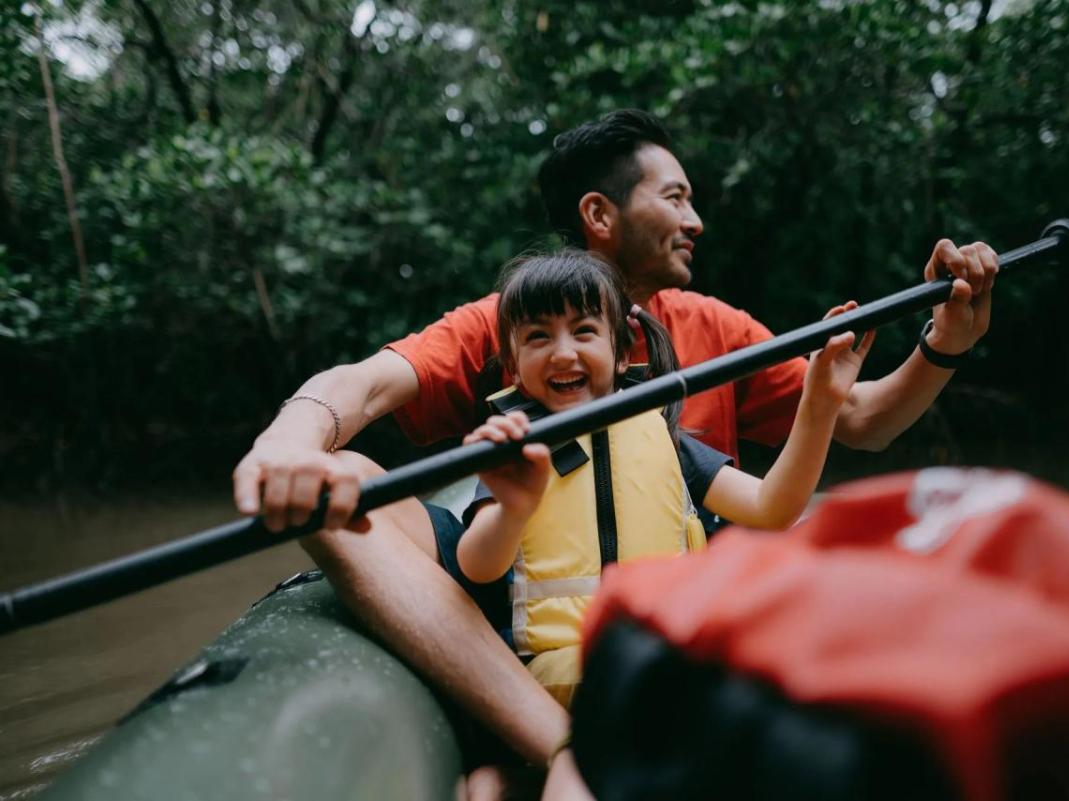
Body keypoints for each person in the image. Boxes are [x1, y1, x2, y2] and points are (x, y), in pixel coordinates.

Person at [231, 109, 998, 792]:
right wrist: (286, 449)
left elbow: (856, 418)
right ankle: (554, 741)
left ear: (627, 346)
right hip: (537, 622)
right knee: (350, 481)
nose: (695, 219)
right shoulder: (507, 319)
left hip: (679, 614)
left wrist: (946, 343)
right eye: (675, 198)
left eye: (586, 335)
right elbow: (362, 386)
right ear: (599, 214)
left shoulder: (711, 325)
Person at [454, 250, 870, 713]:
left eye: (584, 331)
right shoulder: (514, 453)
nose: (564, 352)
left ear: (618, 353)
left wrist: (820, 402)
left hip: (667, 652)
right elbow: (477, 565)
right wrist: (514, 509)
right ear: (513, 361)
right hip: (566, 669)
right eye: (538, 336)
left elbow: (772, 507)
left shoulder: (663, 438)